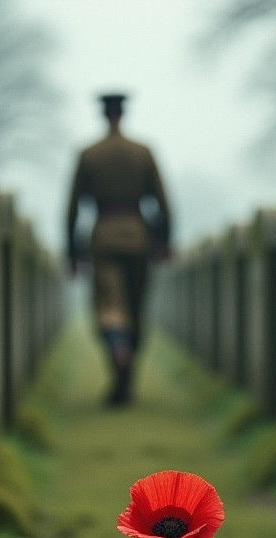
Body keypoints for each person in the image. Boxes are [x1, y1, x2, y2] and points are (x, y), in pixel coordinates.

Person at [66, 92, 172, 405]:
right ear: (123, 114)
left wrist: (72, 251)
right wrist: (165, 241)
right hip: (139, 237)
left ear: (103, 115)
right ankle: (126, 381)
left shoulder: (89, 154)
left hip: (103, 238)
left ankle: (117, 351)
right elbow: (163, 201)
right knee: (136, 309)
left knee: (109, 307)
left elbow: (73, 207)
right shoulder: (143, 152)